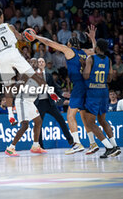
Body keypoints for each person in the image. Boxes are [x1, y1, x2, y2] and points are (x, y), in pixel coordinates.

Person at [32, 25, 97, 155]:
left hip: (78, 86)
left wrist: (36, 37)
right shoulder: (84, 52)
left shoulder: (69, 51)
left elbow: (50, 43)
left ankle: (77, 144)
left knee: (70, 116)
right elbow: (95, 50)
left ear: (69, 44)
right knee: (84, 116)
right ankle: (93, 143)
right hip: (87, 87)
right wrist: (93, 39)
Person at [0, 8, 57, 126]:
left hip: (2, 56)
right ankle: (50, 93)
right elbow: (20, 38)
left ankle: (10, 115)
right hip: (12, 52)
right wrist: (27, 35)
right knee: (33, 75)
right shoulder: (9, 26)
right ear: (2, 16)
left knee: (8, 86)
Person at [83, 38, 120, 158]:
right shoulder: (108, 60)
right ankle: (115, 146)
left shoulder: (91, 59)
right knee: (102, 120)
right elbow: (110, 79)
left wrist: (84, 66)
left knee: (90, 122)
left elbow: (86, 76)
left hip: (93, 92)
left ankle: (109, 147)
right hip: (104, 91)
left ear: (97, 48)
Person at [34, 58, 74, 149]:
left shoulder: (48, 75)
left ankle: (70, 140)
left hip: (49, 102)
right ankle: (40, 146)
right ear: (37, 64)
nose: (41, 63)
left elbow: (55, 87)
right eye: (39, 62)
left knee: (60, 119)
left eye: (42, 61)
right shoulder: (33, 75)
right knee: (38, 124)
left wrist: (62, 93)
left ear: (44, 64)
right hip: (39, 103)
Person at [4, 82, 47, 157]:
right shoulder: (26, 75)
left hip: (30, 102)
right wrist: (10, 113)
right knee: (25, 126)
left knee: (38, 121)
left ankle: (35, 146)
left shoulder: (39, 76)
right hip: (22, 102)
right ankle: (10, 148)